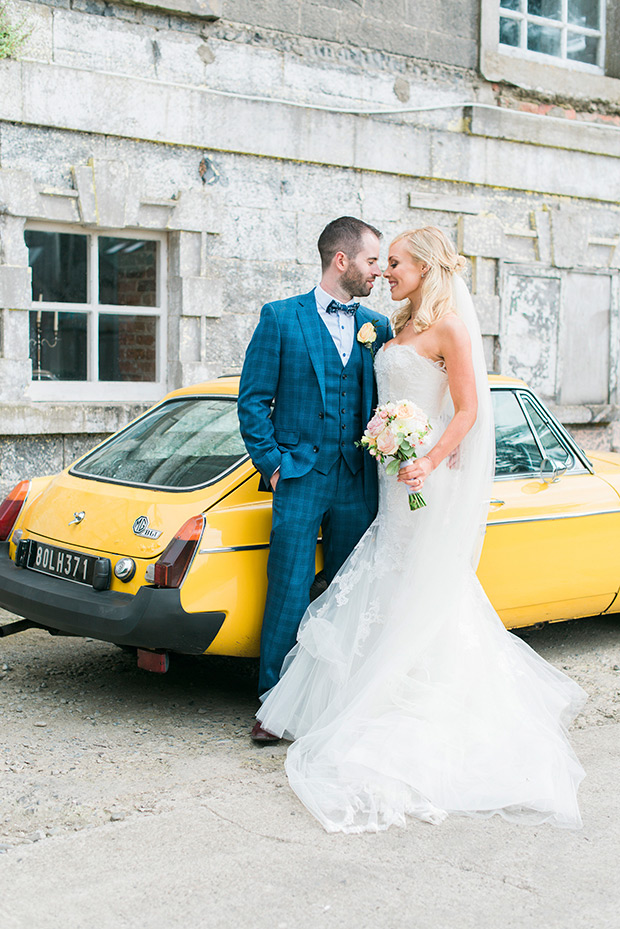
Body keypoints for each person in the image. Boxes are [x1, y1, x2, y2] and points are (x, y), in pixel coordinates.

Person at [257, 226, 586, 833]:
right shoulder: (389, 326)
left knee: (420, 585)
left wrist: (430, 457)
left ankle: (398, 699)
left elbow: (468, 408)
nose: (385, 272)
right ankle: (307, 700)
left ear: (428, 267)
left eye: (396, 263)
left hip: (419, 476)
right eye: (380, 263)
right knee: (368, 582)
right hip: (380, 473)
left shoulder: (446, 328)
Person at [238, 216, 392, 740]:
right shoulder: (280, 318)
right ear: (341, 261)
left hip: (357, 479)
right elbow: (253, 401)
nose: (380, 271)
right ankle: (272, 705)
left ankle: (334, 698)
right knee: (288, 585)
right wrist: (274, 465)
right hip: (300, 477)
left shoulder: (379, 326)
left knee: (349, 590)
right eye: (373, 261)